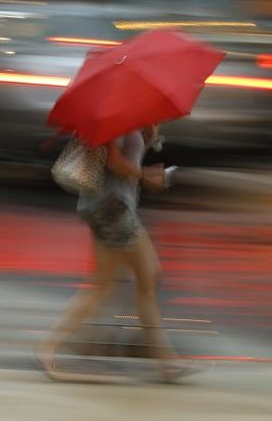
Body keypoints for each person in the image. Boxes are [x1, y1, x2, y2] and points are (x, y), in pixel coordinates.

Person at [37, 124, 195, 382]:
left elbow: (123, 162)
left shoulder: (131, 120)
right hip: (113, 209)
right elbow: (114, 162)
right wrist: (148, 175)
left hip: (108, 207)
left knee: (111, 285)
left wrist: (145, 137)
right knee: (143, 278)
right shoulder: (116, 119)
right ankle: (167, 363)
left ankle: (167, 363)